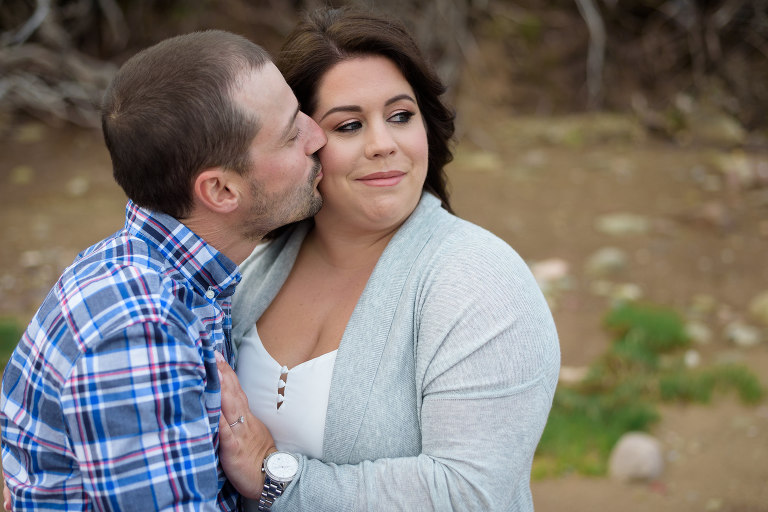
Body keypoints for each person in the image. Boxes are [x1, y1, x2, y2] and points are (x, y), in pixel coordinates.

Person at [217, 7, 561, 511]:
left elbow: (469, 494)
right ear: (300, 141)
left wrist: (276, 477)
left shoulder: (479, 281)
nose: (384, 144)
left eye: (401, 116)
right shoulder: (251, 269)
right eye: (350, 125)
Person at [0, 29, 325, 511]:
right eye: (291, 134)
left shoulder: (160, 274)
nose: (317, 134)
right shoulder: (139, 328)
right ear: (220, 192)